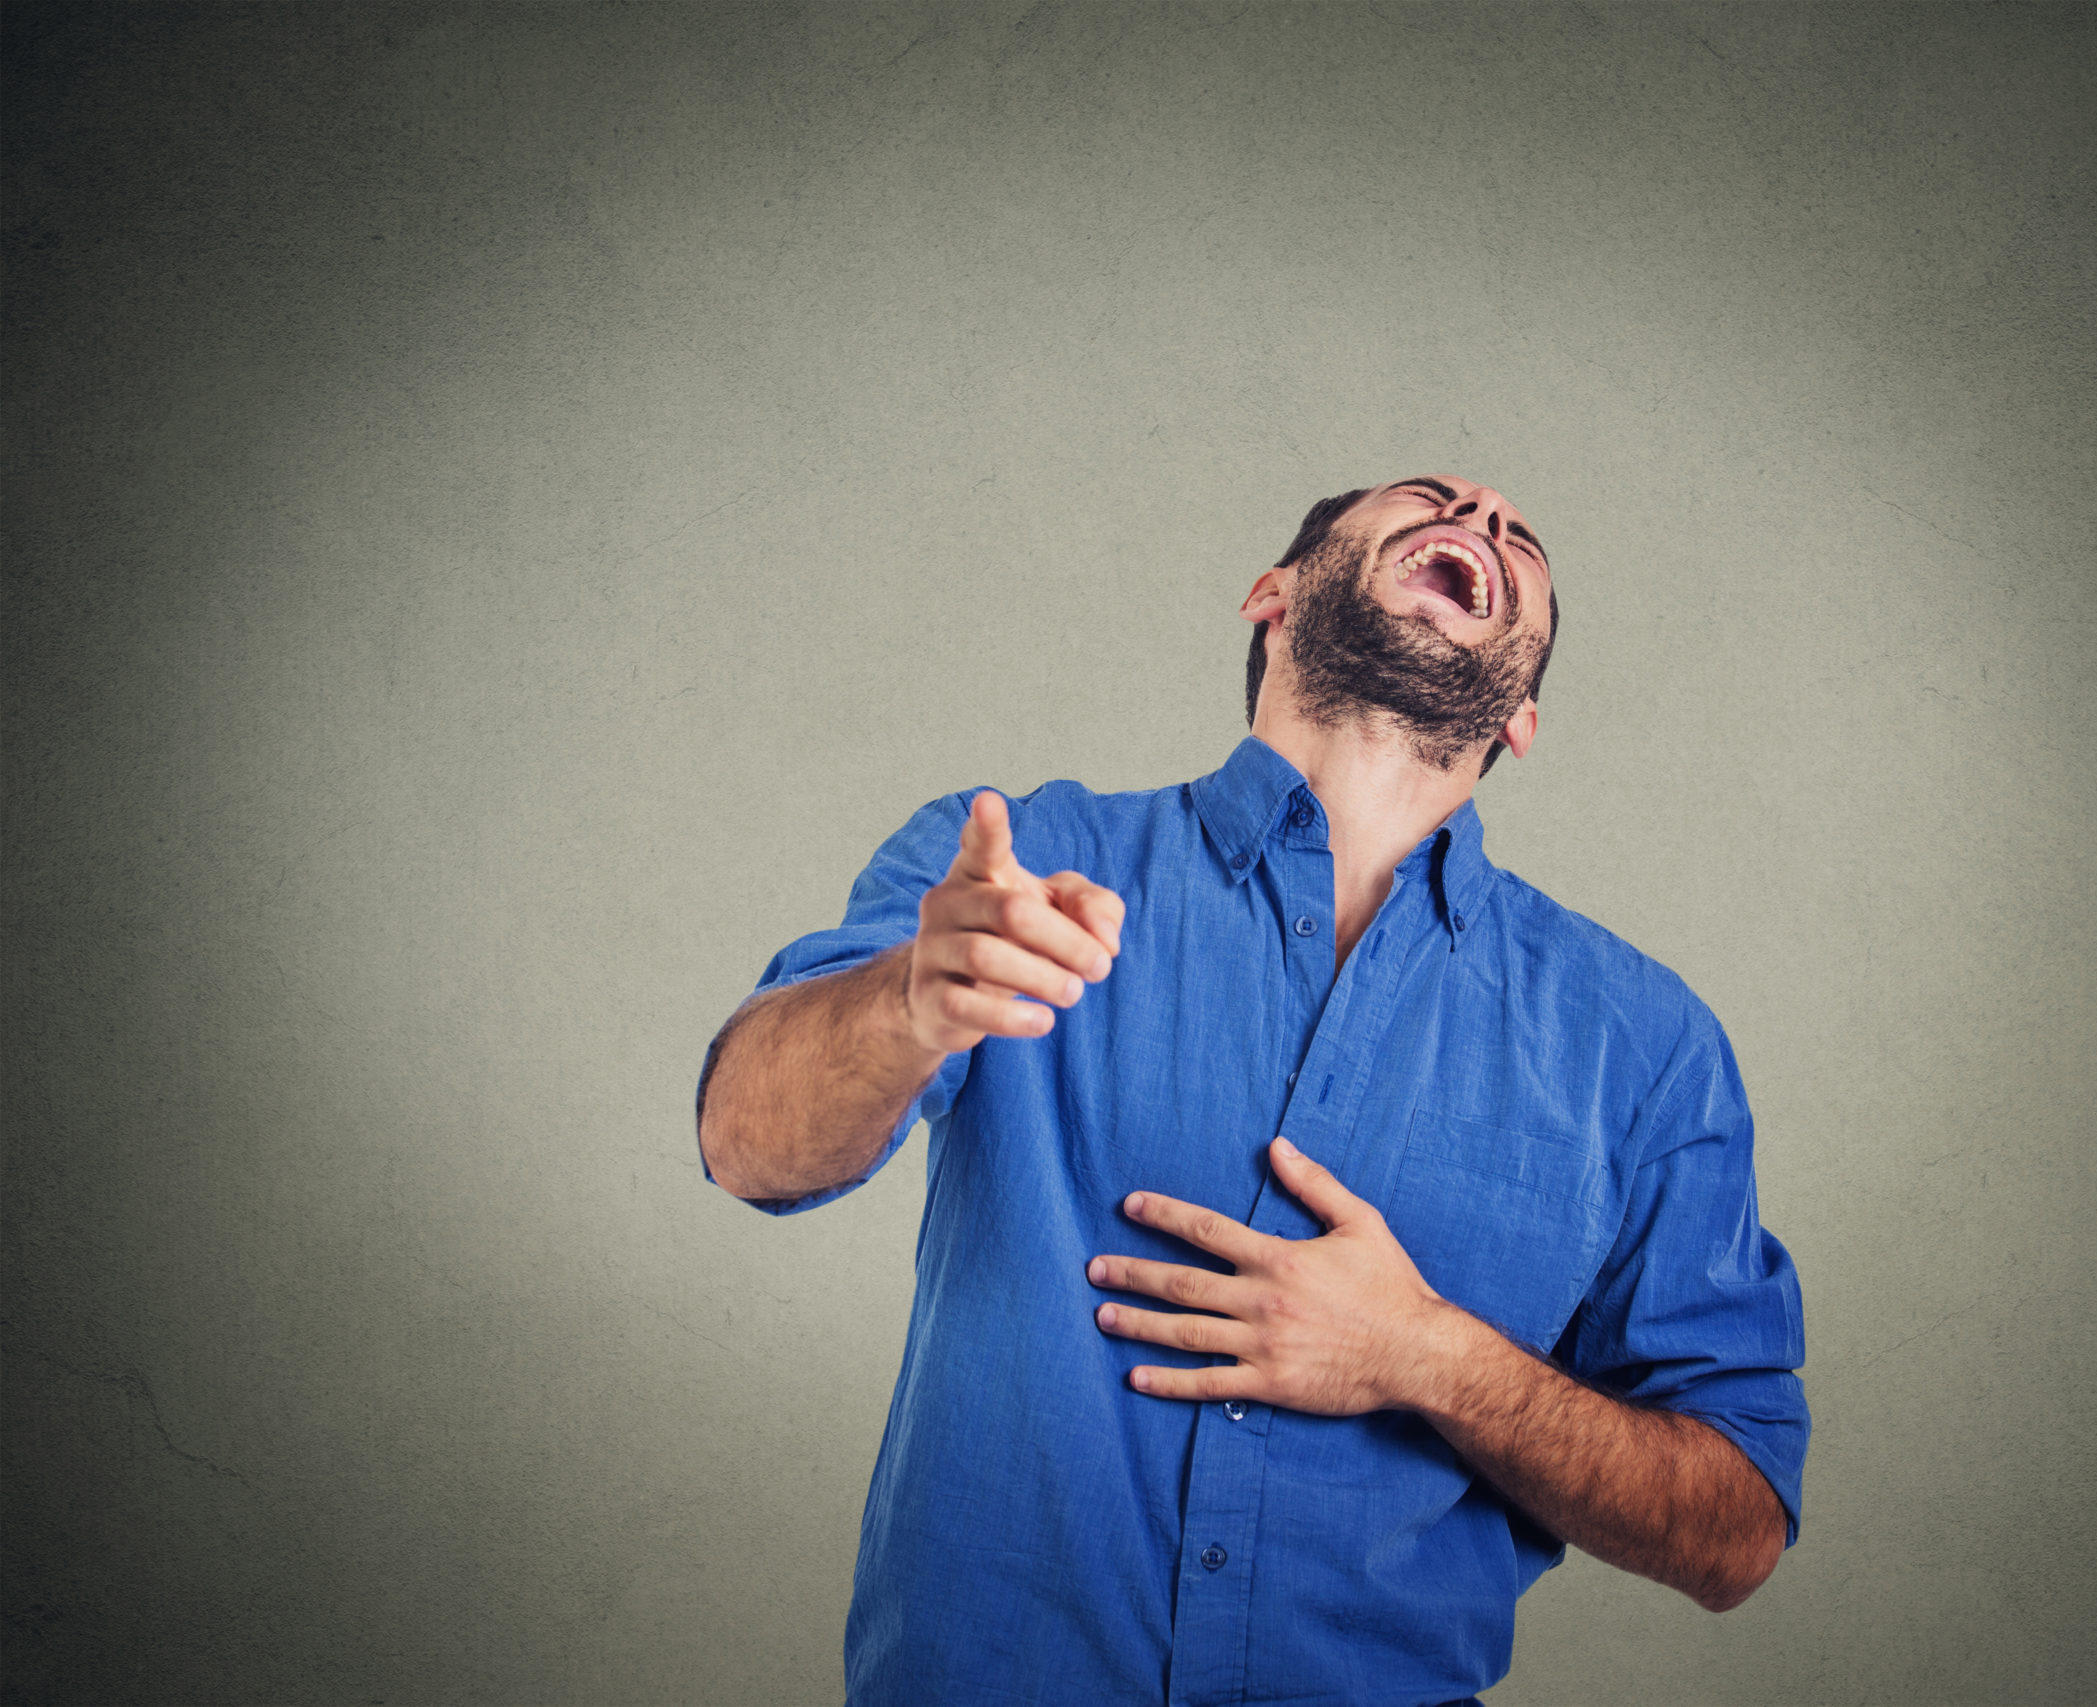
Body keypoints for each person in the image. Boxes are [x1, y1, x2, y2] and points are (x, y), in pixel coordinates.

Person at [697, 475, 1810, 1706]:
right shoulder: (1022, 861)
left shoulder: (1643, 1045)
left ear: (1522, 716)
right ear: (1271, 595)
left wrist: (1430, 1356)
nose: (1485, 511)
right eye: (1427, 499)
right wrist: (907, 1000)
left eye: (1522, 540)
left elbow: (1736, 1530)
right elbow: (745, 1143)